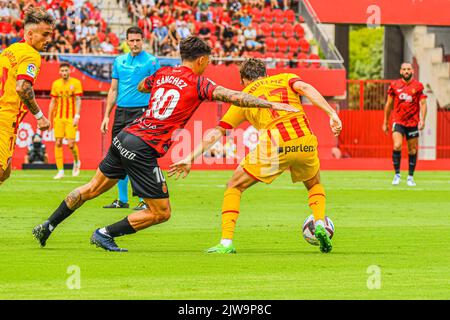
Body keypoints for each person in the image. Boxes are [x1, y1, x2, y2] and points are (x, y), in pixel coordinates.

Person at [32, 36, 297, 252]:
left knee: (91, 188)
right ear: (202, 60)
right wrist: (269, 103)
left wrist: (157, 87)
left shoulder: (163, 73)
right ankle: (104, 233)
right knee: (161, 212)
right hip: (142, 147)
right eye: (208, 61)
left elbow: (142, 86)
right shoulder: (200, 82)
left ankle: (48, 225)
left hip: (124, 136)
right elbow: (234, 97)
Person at [169, 58, 342, 254]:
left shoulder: (244, 97)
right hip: (304, 139)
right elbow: (306, 88)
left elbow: (218, 132)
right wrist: (331, 114)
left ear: (243, 80)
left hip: (275, 146)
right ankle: (319, 221)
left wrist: (190, 157)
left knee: (234, 186)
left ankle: (226, 243)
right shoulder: (286, 78)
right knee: (314, 184)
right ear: (266, 74)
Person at [100, 26, 160, 210]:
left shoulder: (151, 62)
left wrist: (155, 114)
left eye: (137, 40)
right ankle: (122, 200)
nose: (134, 43)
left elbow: (157, 89)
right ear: (126, 41)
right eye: (131, 40)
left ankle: (144, 200)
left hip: (142, 113)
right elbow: (113, 90)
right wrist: (106, 116)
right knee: (118, 155)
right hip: (121, 113)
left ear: (143, 41)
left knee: (140, 156)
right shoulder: (119, 61)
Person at [0, 8, 53, 185]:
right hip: (5, 119)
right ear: (30, 33)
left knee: (5, 171)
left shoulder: (11, 49)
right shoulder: (31, 55)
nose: (48, 40)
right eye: (44, 35)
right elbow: (23, 87)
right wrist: (40, 117)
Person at [382, 62, 427, 186]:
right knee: (397, 145)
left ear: (412, 71)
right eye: (404, 69)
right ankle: (397, 175)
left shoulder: (418, 86)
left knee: (412, 150)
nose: (406, 71)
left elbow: (423, 104)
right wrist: (385, 121)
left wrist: (422, 119)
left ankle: (410, 177)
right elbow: (389, 104)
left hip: (413, 122)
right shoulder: (394, 85)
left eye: (408, 69)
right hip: (398, 121)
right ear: (401, 71)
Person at [48, 62, 83, 179]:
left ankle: (77, 162)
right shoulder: (55, 84)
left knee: (71, 144)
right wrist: (49, 118)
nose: (64, 72)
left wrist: (77, 116)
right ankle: (60, 170)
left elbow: (78, 100)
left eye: (66, 70)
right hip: (58, 117)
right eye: (62, 71)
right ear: (59, 72)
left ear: (70, 71)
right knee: (58, 142)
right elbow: (52, 102)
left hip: (71, 117)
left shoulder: (76, 83)